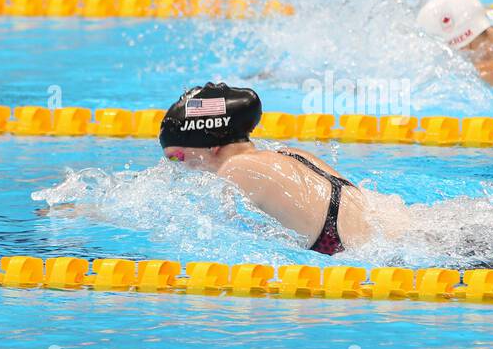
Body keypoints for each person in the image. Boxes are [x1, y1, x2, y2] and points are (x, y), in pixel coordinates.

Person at [159, 83, 372, 255]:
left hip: (379, 255)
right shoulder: (290, 153)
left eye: (178, 158)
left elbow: (209, 240)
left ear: (211, 145)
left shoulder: (236, 169)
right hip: (384, 225)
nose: (178, 168)